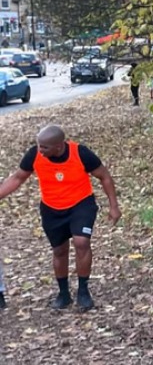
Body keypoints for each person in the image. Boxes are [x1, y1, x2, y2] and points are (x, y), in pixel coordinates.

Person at [0, 125, 121, 310]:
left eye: (44, 147)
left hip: (81, 204)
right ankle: (63, 294)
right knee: (59, 250)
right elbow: (17, 178)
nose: (40, 150)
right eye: (39, 145)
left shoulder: (81, 153)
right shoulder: (34, 154)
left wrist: (114, 206)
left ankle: (83, 291)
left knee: (81, 243)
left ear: (59, 146)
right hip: (52, 209)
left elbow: (104, 176)